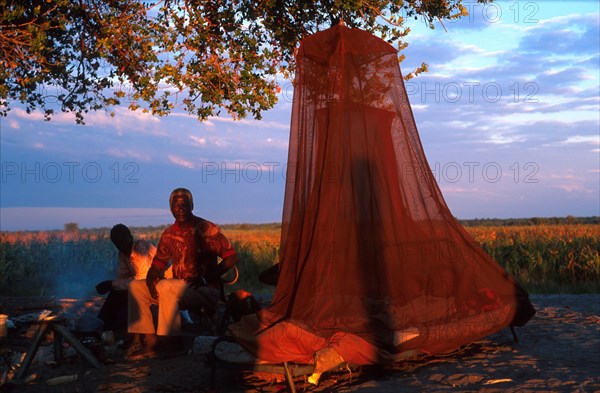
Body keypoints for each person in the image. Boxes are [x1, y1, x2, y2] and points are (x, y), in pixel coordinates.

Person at [127, 188, 238, 359]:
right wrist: (151, 277)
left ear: (192, 205)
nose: (180, 209)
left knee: (166, 286)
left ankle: (173, 343)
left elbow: (231, 258)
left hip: (205, 289)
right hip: (178, 290)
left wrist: (205, 278)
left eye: (185, 204)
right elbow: (159, 262)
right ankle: (150, 342)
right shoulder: (169, 234)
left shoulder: (206, 228)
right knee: (136, 287)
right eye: (176, 205)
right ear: (170, 208)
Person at [96, 224, 156, 334]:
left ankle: (121, 330)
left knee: (128, 291)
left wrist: (112, 284)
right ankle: (107, 325)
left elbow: (141, 279)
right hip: (144, 285)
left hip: (159, 284)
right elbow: (123, 277)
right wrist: (113, 285)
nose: (121, 246)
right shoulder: (123, 254)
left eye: (123, 241)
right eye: (117, 243)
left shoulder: (140, 248)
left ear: (130, 238)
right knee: (117, 291)